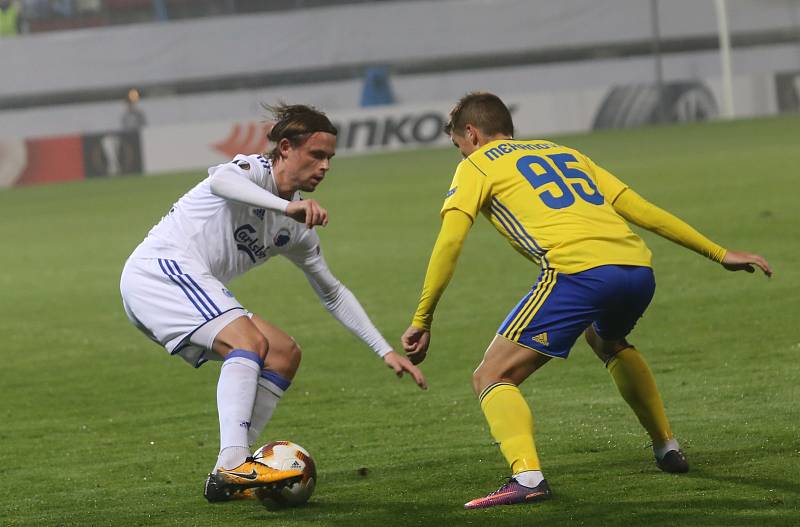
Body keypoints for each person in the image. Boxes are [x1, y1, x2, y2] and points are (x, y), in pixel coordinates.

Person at [401, 92, 771, 510]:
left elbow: (450, 240)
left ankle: (527, 477)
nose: (461, 153)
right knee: (606, 341)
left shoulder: (477, 164)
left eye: (458, 145)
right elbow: (638, 207)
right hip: (637, 269)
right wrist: (719, 252)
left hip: (578, 275)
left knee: (491, 376)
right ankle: (666, 446)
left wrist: (423, 317)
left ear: (471, 133)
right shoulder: (566, 153)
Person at [120, 104, 426, 503]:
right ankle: (235, 461)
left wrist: (383, 349)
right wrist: (287, 206)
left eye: (330, 158)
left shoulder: (295, 228)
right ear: (284, 148)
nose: (325, 166)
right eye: (317, 155)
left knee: (282, 353)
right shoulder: (251, 170)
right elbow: (220, 184)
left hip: (185, 283)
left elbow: (332, 291)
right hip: (160, 272)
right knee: (249, 343)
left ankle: (226, 473)